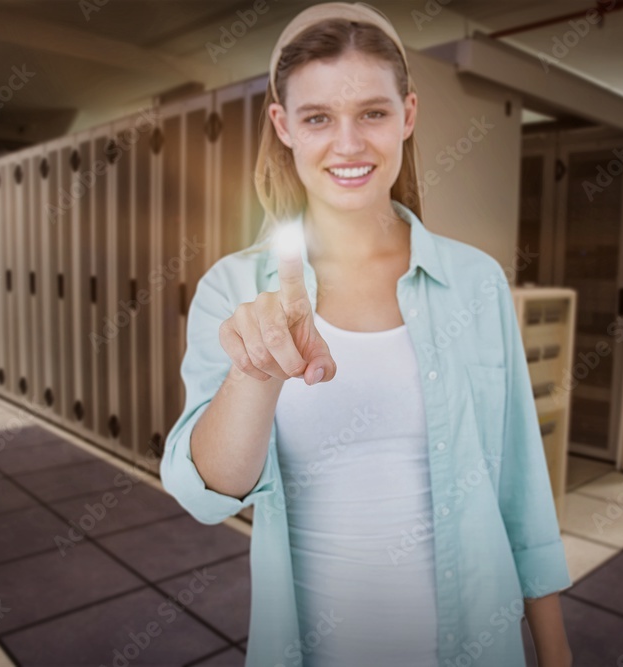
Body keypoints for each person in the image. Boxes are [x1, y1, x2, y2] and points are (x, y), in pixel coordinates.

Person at [159, 3, 573, 666]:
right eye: (318, 117)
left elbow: (520, 490)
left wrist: (557, 655)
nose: (348, 144)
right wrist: (256, 370)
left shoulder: (477, 283)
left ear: (407, 114)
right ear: (283, 126)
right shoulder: (234, 290)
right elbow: (205, 492)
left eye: (372, 113)